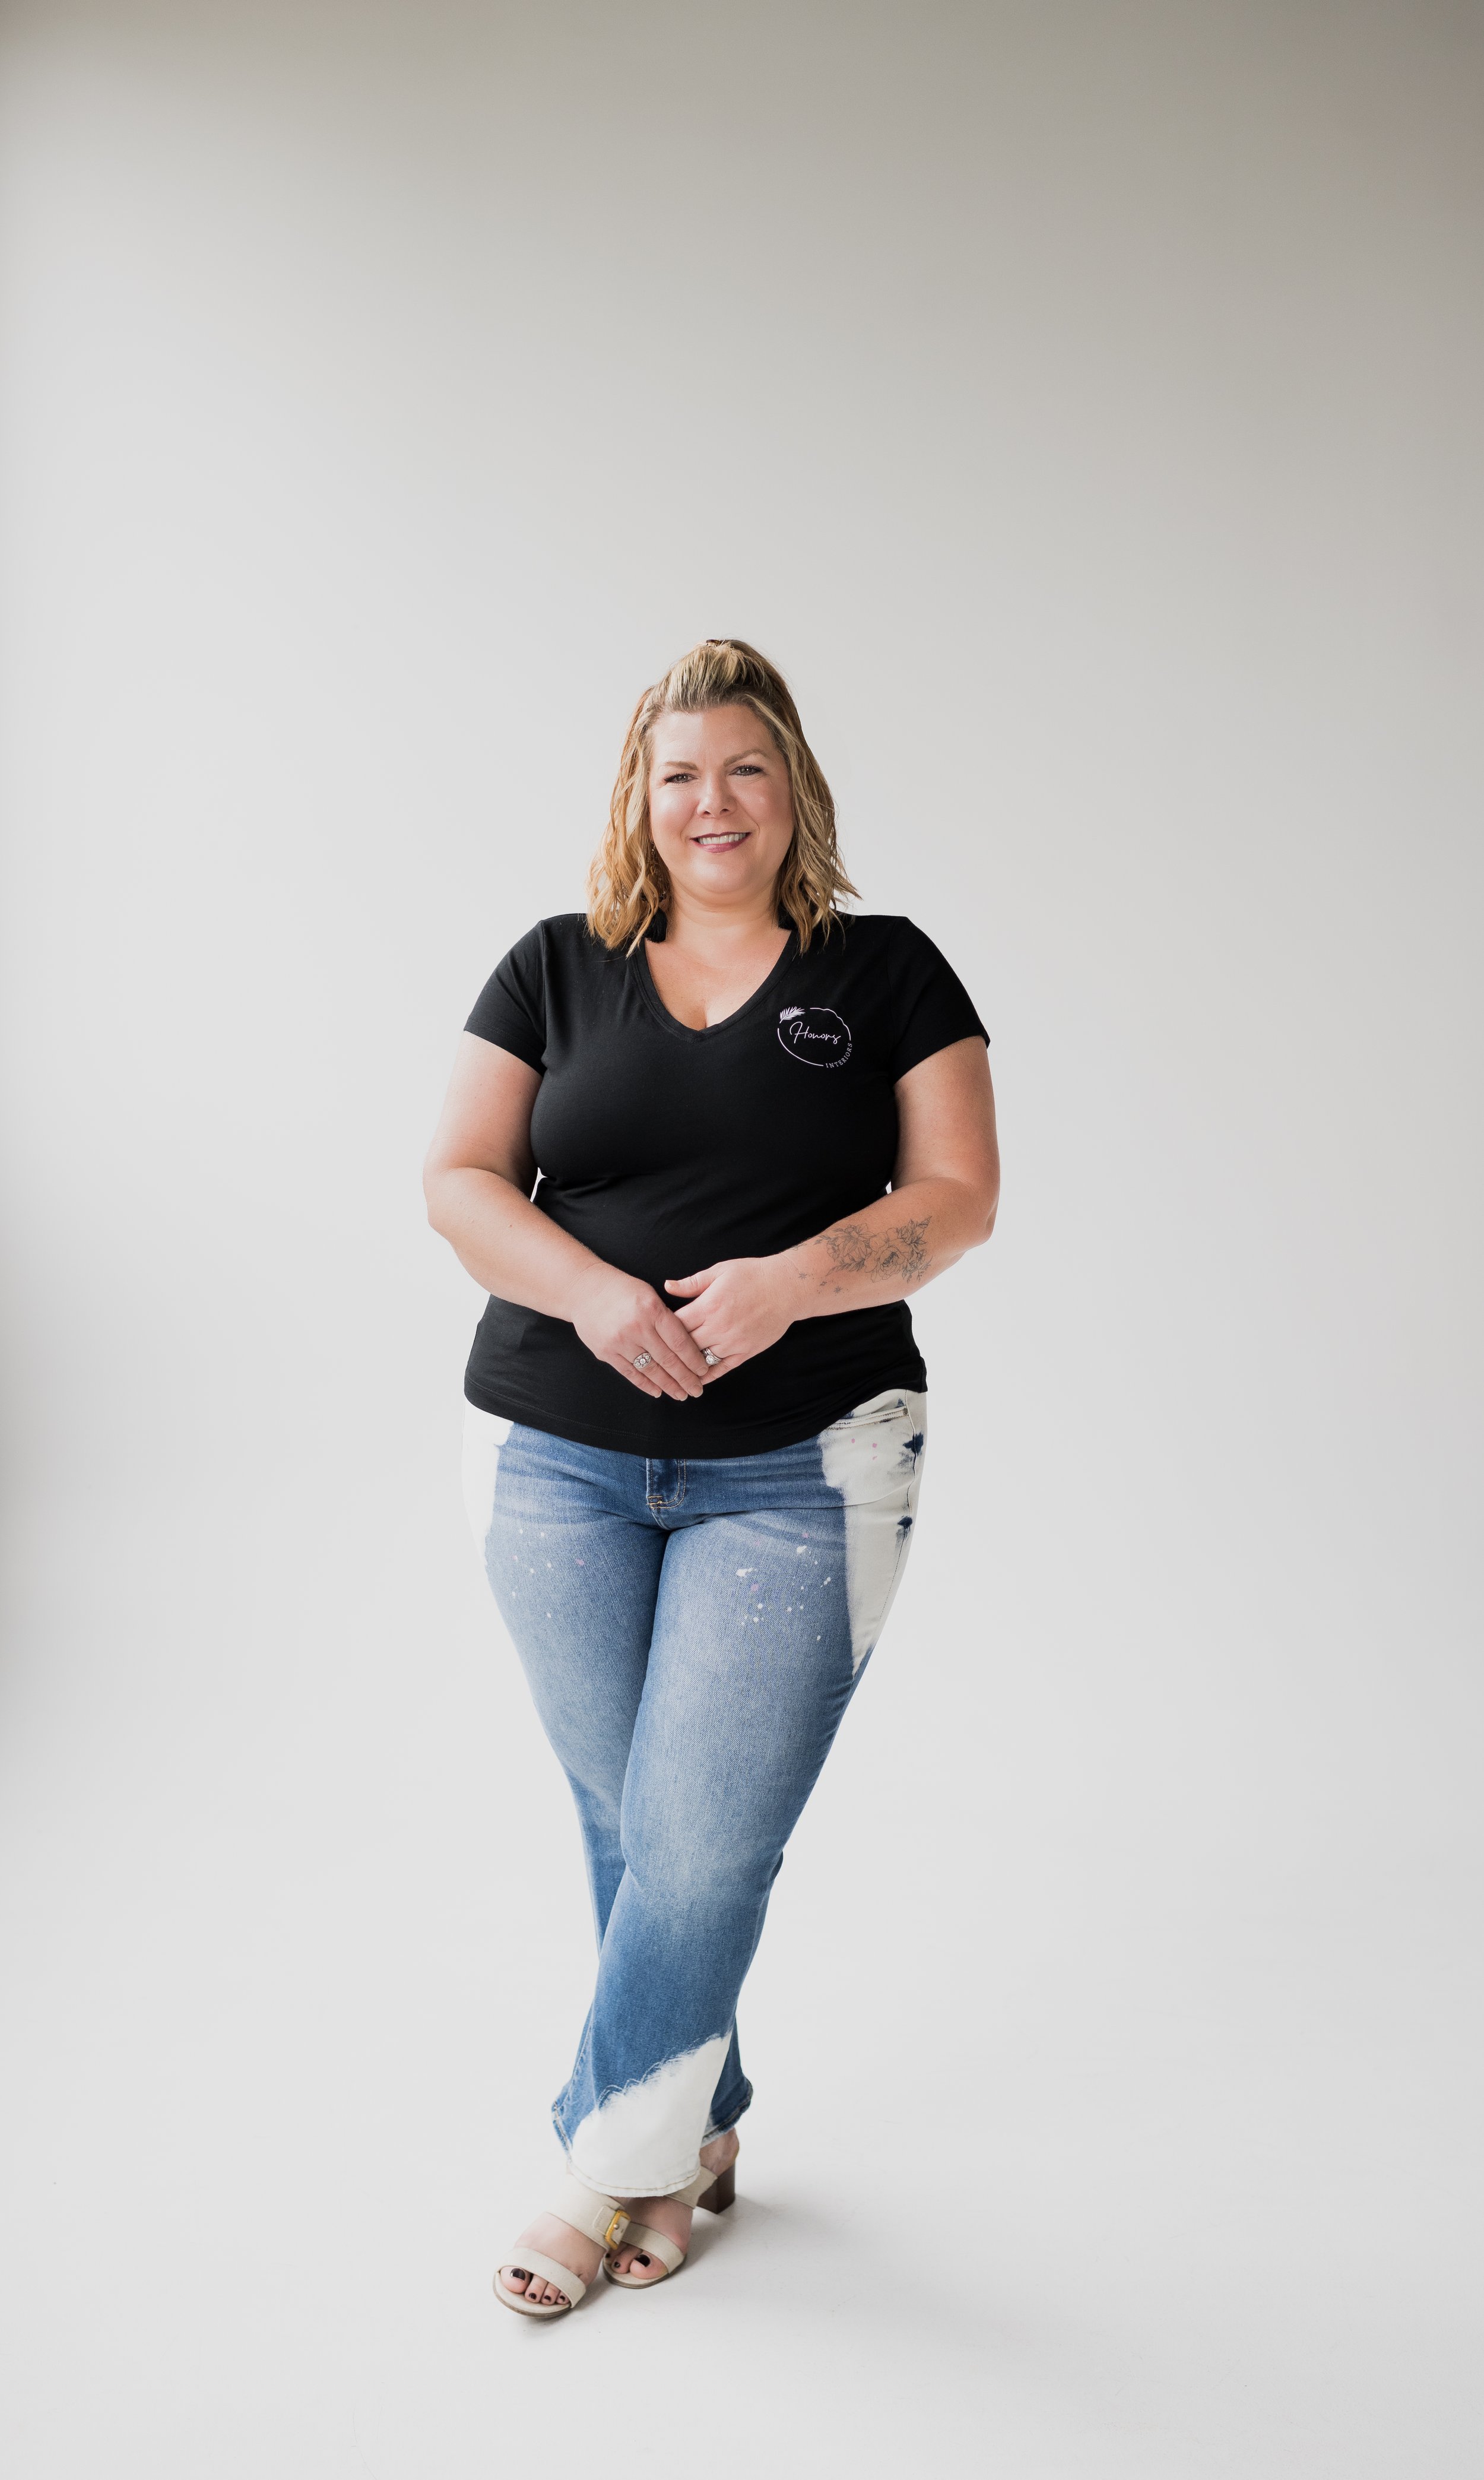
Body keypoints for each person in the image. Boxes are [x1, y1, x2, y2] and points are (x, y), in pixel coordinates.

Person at [423, 638, 999, 2317]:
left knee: (697, 1840)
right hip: (551, 1453)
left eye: (743, 768)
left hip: (803, 1466)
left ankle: (603, 2174)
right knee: (630, 1821)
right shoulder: (553, 964)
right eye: (679, 772)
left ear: (792, 789)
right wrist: (598, 1294)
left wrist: (793, 1277)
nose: (711, 801)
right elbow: (458, 1179)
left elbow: (954, 1197)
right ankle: (700, 2135)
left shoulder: (883, 971)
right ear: (639, 796)